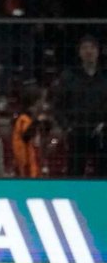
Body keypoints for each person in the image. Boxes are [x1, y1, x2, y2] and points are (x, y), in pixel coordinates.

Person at [51, 35, 107, 177]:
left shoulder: (104, 77)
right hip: (76, 133)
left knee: (102, 174)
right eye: (85, 48)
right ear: (79, 52)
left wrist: (104, 124)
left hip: (100, 134)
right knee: (74, 173)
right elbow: (57, 106)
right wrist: (67, 127)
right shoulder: (69, 77)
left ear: (98, 51)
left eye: (92, 48)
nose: (89, 51)